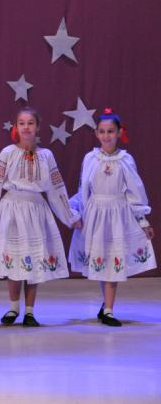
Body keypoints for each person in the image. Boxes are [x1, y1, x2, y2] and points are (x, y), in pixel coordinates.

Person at [0, 107, 80, 327]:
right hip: (11, 210)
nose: (26, 127)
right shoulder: (8, 153)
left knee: (33, 261)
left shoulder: (46, 156)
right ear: (16, 127)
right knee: (14, 258)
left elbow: (56, 189)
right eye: (22, 123)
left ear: (37, 127)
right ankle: (13, 308)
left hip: (35, 211)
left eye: (30, 123)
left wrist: (70, 217)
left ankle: (29, 311)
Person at [68, 108, 155, 326]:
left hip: (117, 217)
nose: (106, 136)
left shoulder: (125, 160)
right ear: (96, 133)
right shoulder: (90, 158)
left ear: (119, 133)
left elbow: (135, 192)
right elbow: (83, 189)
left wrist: (143, 220)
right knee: (102, 262)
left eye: (110, 131)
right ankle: (105, 305)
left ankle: (108, 310)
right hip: (96, 216)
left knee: (112, 263)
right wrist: (76, 213)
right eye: (102, 131)